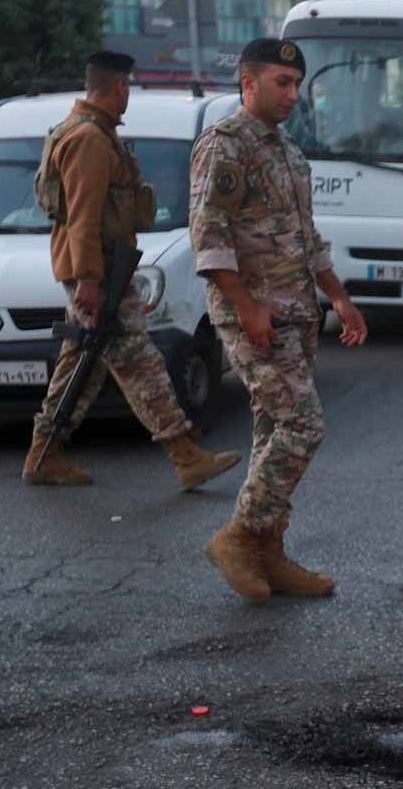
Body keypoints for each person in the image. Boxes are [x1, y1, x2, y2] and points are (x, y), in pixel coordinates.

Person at [189, 37, 369, 600]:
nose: (293, 94)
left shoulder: (288, 151)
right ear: (249, 83)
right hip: (255, 314)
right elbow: (209, 235)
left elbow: (305, 237)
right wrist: (245, 307)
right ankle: (239, 538)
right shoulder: (226, 144)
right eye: (281, 83)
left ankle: (269, 551)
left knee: (273, 431)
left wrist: (337, 296)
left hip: (297, 312)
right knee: (303, 426)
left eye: (297, 85)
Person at [22, 50, 242, 491]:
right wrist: (88, 278)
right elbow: (83, 214)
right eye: (129, 87)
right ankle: (185, 455)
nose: (129, 95)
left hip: (104, 267)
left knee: (82, 361)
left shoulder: (91, 131)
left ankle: (43, 454)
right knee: (139, 361)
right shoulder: (89, 139)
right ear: (119, 86)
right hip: (100, 270)